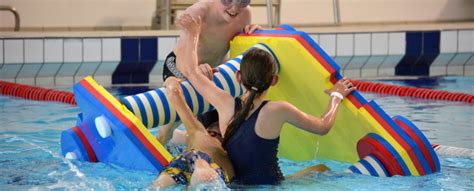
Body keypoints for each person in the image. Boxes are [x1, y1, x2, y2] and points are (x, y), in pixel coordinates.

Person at [175, 13, 356, 185]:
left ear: (238, 77)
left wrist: (192, 33)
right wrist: (336, 95)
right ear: (274, 80)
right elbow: (323, 126)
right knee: (322, 169)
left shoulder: (225, 103)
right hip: (273, 185)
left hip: (237, 184)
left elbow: (191, 70)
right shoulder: (277, 110)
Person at [150, 77, 233, 188]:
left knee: (157, 186)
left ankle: (200, 166)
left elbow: (174, 92)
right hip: (219, 172)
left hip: (193, 158)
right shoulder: (232, 150)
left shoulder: (197, 132)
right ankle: (200, 169)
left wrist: (170, 80)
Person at [162, 0, 261, 81]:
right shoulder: (198, 12)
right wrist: (195, 71)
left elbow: (243, 51)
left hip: (216, 70)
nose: (234, 8)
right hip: (180, 66)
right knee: (178, 91)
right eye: (228, 0)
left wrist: (253, 34)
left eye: (243, 1)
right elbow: (181, 62)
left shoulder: (245, 14)